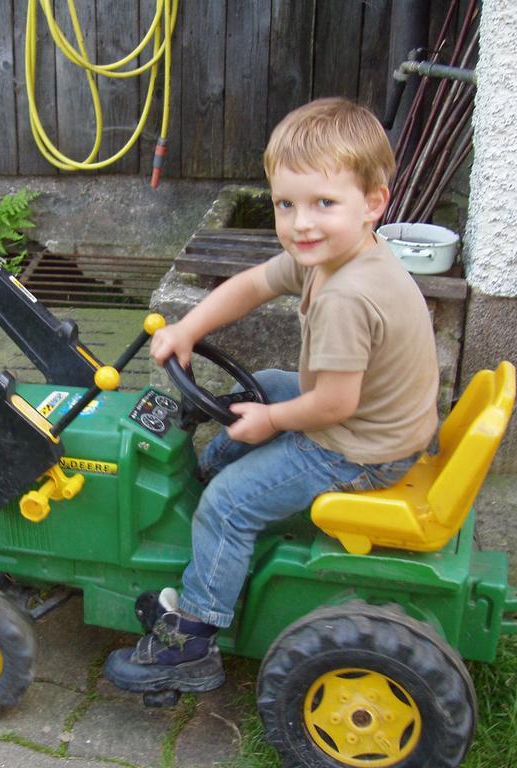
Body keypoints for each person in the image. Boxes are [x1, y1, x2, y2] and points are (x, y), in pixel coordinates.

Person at [104, 97, 440, 693]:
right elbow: (255, 283)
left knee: (232, 501)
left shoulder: (347, 296)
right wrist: (188, 328)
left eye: (322, 204)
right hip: (374, 421)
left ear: (374, 203)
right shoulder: (332, 256)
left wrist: (271, 423)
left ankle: (193, 641)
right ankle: (216, 483)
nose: (301, 223)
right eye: (286, 204)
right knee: (270, 383)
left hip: (360, 449)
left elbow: (332, 408)